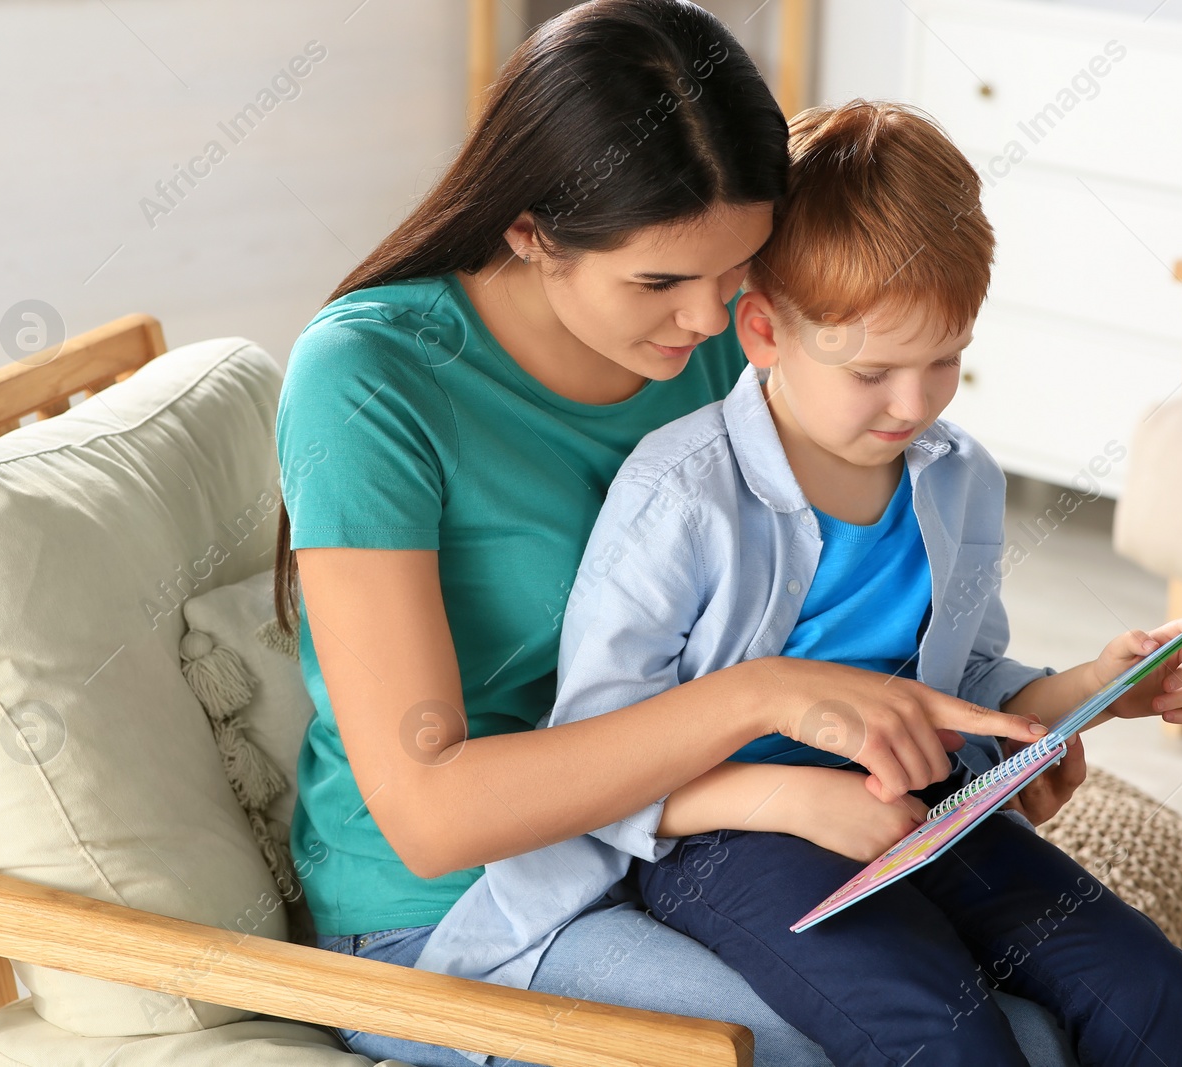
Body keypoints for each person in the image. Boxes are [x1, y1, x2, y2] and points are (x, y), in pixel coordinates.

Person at [273, 2, 1096, 1064]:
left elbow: (858, 576)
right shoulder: (369, 381)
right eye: (659, 281)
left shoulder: (723, 338)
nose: (711, 322)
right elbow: (431, 814)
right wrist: (760, 693)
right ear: (530, 230)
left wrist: (983, 731)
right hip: (455, 914)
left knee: (1043, 1026)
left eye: (738, 270)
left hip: (691, 839)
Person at [423, 101, 1182, 1066]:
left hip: (924, 809)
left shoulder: (956, 473)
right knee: (942, 1032)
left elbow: (968, 683)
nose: (914, 402)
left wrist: (1091, 693)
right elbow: (594, 760)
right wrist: (793, 801)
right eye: (873, 370)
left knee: (1148, 983)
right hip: (731, 840)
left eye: (946, 359)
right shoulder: (679, 497)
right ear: (765, 331)